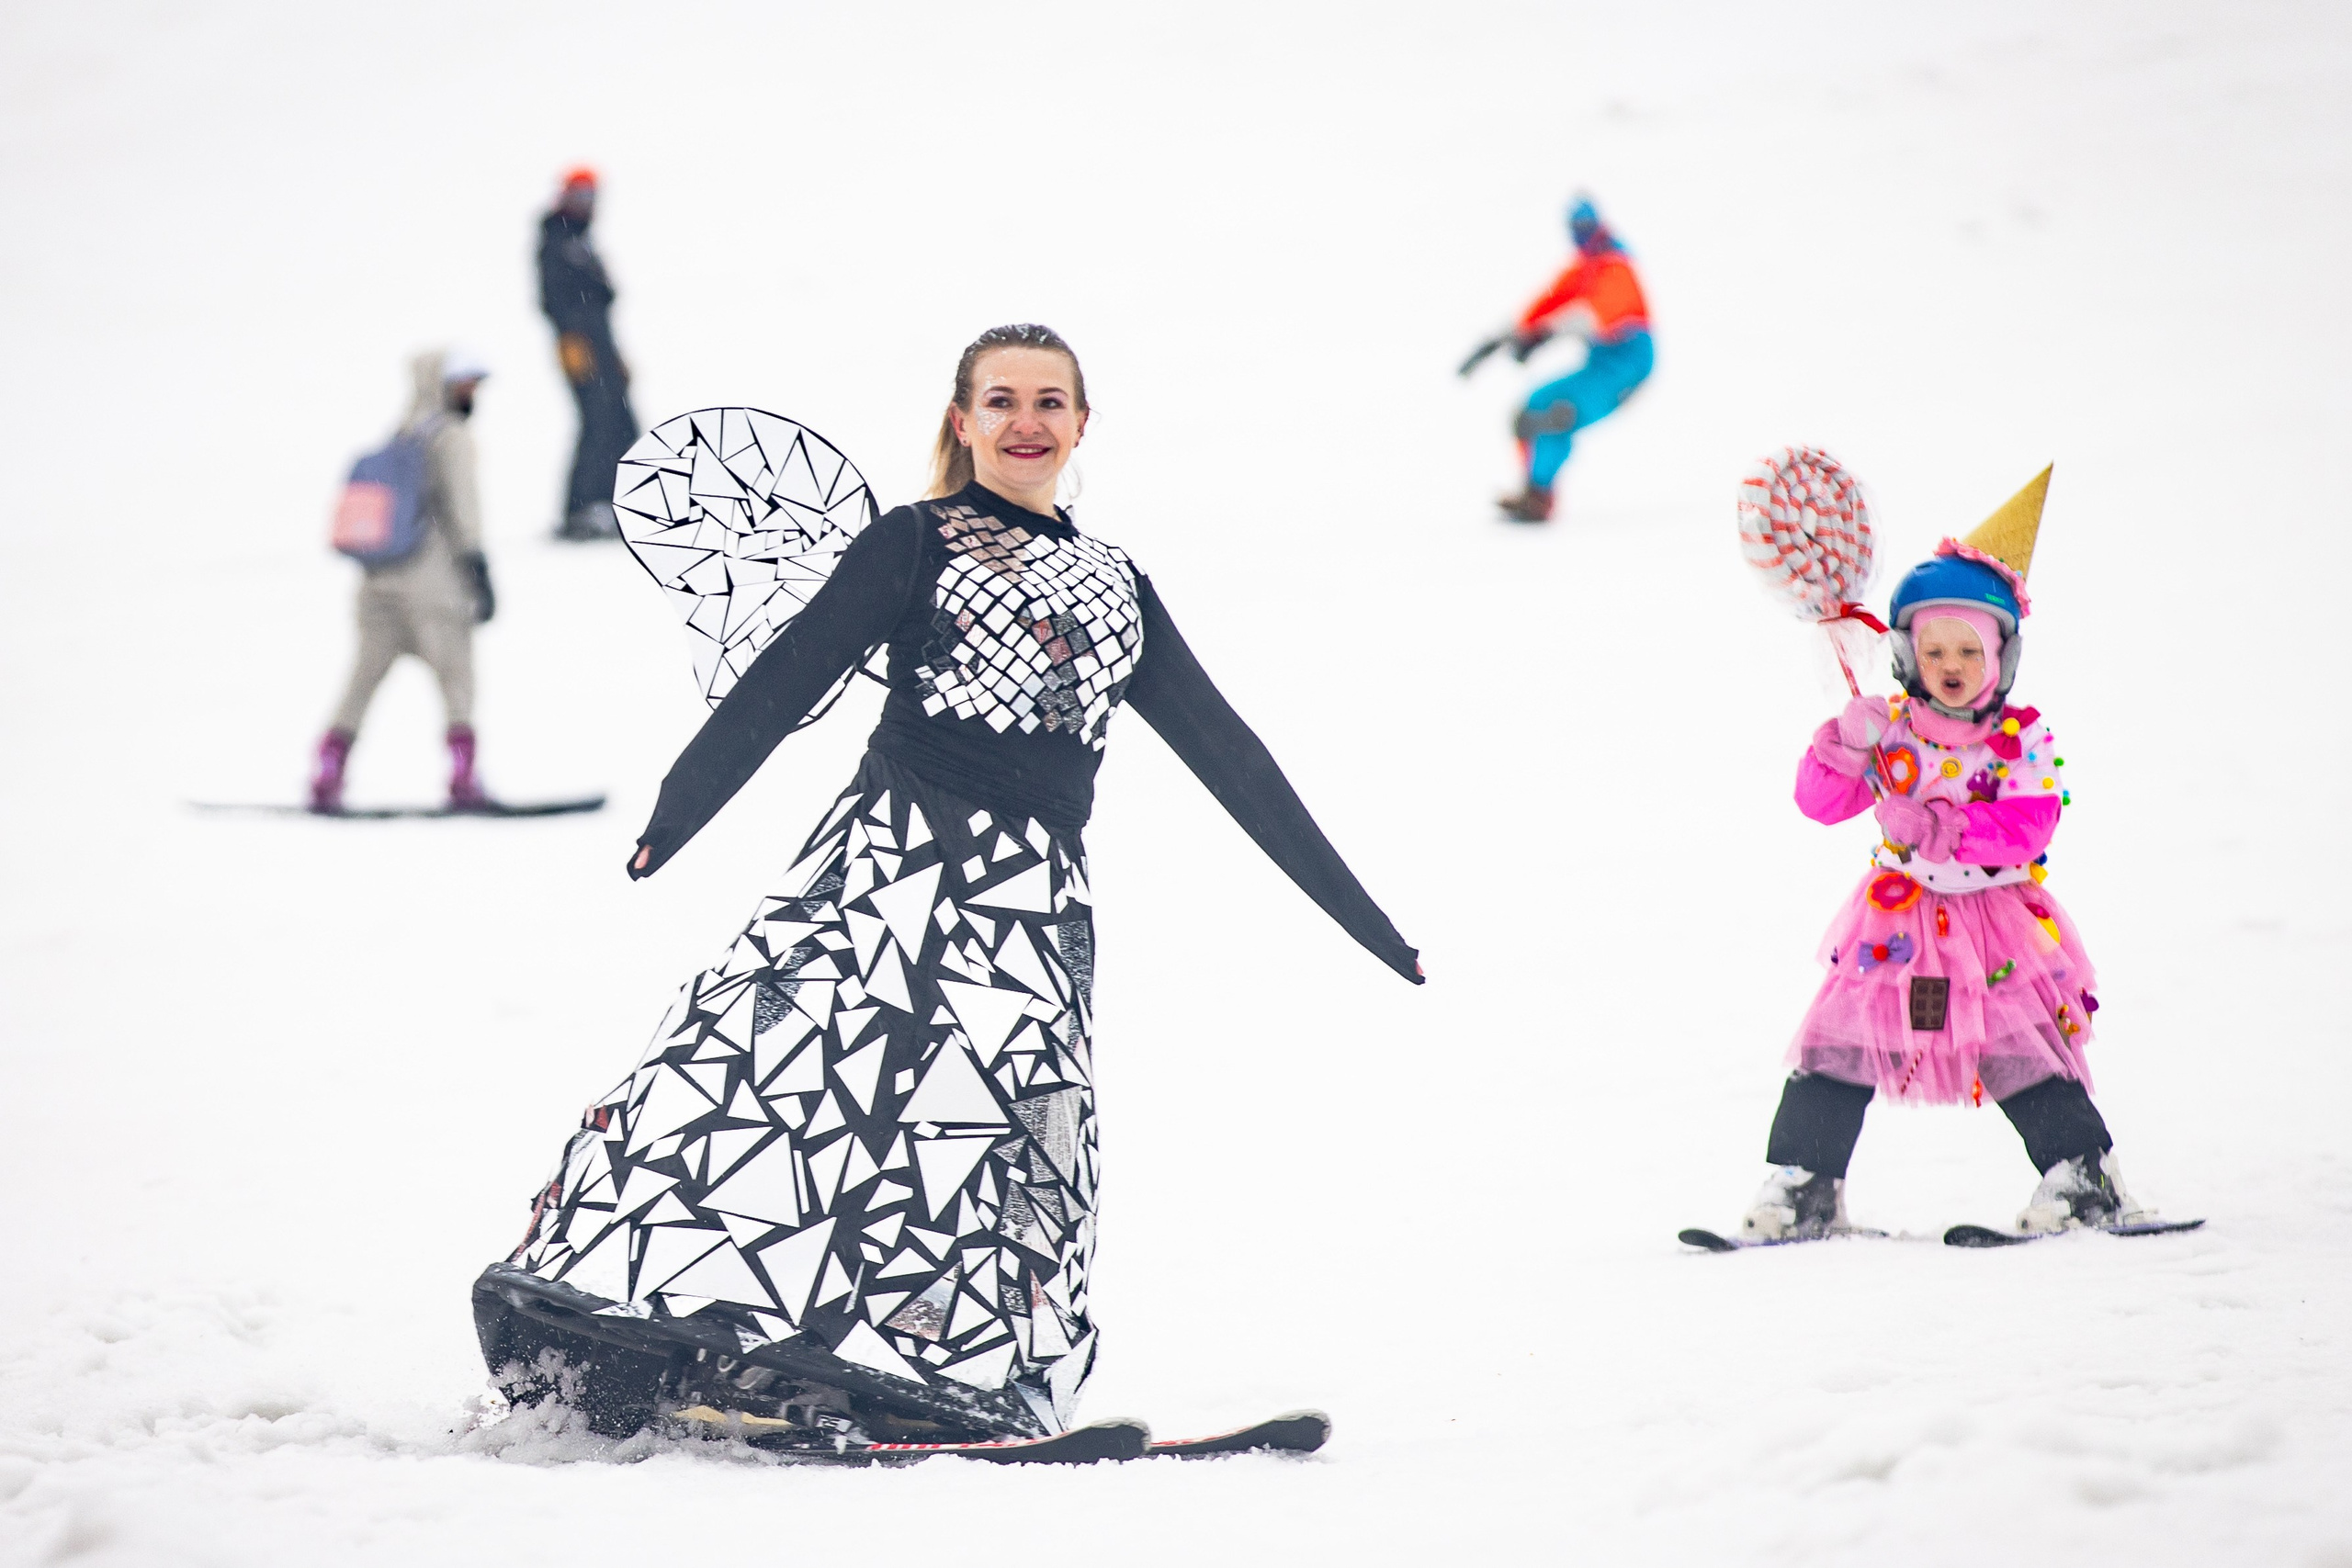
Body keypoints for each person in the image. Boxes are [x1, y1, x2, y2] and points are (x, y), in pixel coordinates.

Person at [471, 324, 1424, 1444]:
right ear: (962, 420)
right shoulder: (914, 540)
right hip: (886, 877)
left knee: (1003, 1136)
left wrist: (1367, 921)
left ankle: (956, 1385)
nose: (1028, 420)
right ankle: (655, 1325)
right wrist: (677, 814)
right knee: (784, 1094)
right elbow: (787, 678)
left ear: (1081, 424)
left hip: (1030, 907)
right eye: (1003, 399)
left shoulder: (1118, 580)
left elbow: (1229, 751)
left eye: (1051, 401)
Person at [1731, 470, 2160, 1241]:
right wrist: (1844, 745)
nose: (1952, 664)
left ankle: (2084, 1177)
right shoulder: (1891, 726)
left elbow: (2030, 826)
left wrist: (1937, 828)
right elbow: (1818, 803)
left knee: (2013, 1043)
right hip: (1893, 923)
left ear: (2004, 656)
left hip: (1991, 928)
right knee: (1840, 1038)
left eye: (1970, 648)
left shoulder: (2019, 738)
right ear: (1906, 651)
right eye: (1934, 649)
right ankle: (1804, 1183)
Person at [310, 350, 497, 814]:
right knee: (457, 684)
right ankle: (464, 778)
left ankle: (326, 775)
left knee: (361, 681)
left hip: (377, 585)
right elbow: (462, 508)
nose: (472, 394)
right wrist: (478, 568)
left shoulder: (401, 434)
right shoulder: (450, 437)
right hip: (435, 587)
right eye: (465, 384)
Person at [1459, 196, 1655, 523]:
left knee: (1553, 412)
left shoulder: (1616, 267)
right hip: (1601, 367)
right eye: (1575, 228)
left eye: (1586, 227)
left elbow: (1596, 315)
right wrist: (1499, 339)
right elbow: (1544, 306)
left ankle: (1538, 498)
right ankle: (1535, 490)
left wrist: (1546, 334)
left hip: (1627, 369)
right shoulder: (1584, 270)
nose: (1581, 234)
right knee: (1533, 408)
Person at [537, 166, 639, 540]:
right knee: (597, 422)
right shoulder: (555, 240)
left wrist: (615, 356)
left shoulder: (582, 242)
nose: (586, 205)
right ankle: (583, 509)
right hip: (579, 347)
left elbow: (602, 303)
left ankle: (619, 502)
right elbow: (552, 302)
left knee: (623, 421)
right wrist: (573, 343)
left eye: (591, 197)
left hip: (602, 346)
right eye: (579, 196)